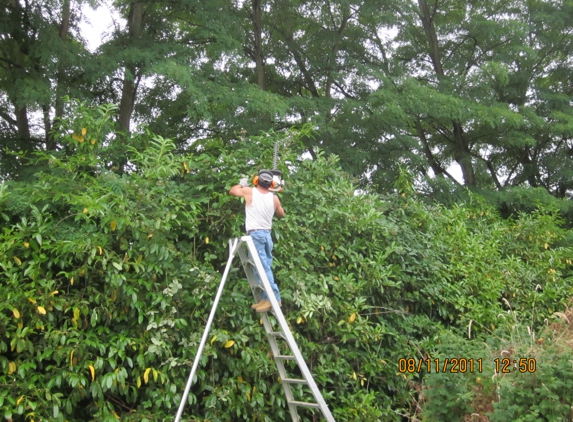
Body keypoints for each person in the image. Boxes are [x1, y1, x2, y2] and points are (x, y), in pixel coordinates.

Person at [229, 169, 285, 312]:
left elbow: (232, 191)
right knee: (260, 267)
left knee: (263, 269)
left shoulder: (250, 191)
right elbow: (281, 214)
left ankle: (274, 298)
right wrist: (275, 196)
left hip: (256, 235)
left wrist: (242, 184)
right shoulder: (274, 198)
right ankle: (266, 298)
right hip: (267, 236)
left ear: (256, 180)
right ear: (271, 184)